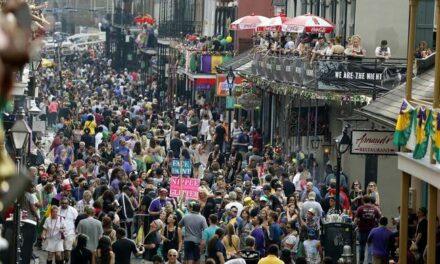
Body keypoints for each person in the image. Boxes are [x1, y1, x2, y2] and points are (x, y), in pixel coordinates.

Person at [355, 196, 381, 264]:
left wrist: (355, 225)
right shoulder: (375, 209)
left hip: (362, 229)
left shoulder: (360, 208)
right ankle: (369, 261)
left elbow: (356, 219)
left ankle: (361, 261)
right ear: (370, 201)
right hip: (372, 230)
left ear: (363, 201)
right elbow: (379, 218)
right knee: (370, 245)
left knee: (362, 246)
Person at [58, 197, 79, 264]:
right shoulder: (57, 209)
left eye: (66, 203)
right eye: (63, 203)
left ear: (68, 203)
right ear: (60, 203)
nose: (64, 204)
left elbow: (77, 221)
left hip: (70, 232)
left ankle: (66, 261)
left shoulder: (73, 210)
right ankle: (61, 262)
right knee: (60, 249)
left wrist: (76, 231)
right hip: (59, 232)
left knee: (67, 249)